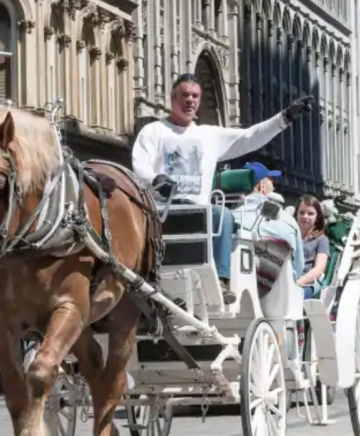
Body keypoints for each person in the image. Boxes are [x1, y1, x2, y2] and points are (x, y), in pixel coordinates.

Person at [132, 72, 313, 304]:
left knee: (223, 216)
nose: (190, 100)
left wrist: (284, 118)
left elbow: (251, 136)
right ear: (172, 99)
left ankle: (221, 280)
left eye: (195, 96)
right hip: (160, 209)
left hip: (198, 211)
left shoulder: (209, 135)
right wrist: (156, 179)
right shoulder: (154, 131)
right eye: (185, 95)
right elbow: (140, 165)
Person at [232, 162, 304, 276]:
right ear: (262, 186)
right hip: (282, 289)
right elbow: (298, 268)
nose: (274, 186)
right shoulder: (287, 221)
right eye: (271, 180)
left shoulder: (228, 219)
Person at [295, 195, 330, 299]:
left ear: (317, 217)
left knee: (293, 297)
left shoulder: (322, 239)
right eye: (301, 212)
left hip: (307, 283)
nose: (305, 216)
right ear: (296, 214)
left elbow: (319, 269)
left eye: (310, 213)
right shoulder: (289, 236)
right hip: (286, 279)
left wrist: (298, 282)